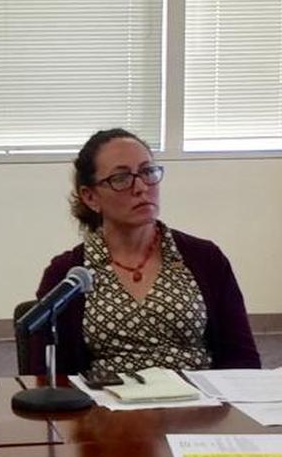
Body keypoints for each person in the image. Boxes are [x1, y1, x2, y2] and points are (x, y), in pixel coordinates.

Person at [28, 128, 260, 376]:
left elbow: (242, 359)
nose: (141, 188)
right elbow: (46, 375)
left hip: (198, 405)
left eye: (148, 172)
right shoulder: (68, 273)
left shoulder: (205, 258)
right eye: (121, 178)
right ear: (91, 197)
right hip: (106, 408)